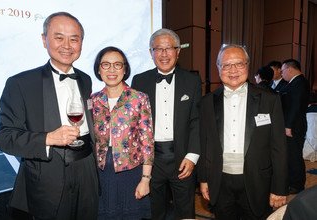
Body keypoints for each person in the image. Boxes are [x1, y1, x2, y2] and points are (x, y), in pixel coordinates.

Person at [0, 12, 99, 220]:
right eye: (59, 37)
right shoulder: (21, 83)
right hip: (47, 176)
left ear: (81, 43)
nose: (67, 45)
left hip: (87, 169)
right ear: (44, 40)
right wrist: (49, 138)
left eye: (74, 39)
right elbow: (3, 137)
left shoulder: (85, 79)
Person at [197, 44, 288, 220]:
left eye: (239, 63)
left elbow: (279, 147)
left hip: (258, 181)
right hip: (219, 180)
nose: (233, 70)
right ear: (218, 68)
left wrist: (279, 187)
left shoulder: (269, 100)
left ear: (247, 65)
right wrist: (203, 179)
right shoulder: (207, 102)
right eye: (226, 65)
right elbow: (204, 143)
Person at [132, 28, 202, 219]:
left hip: (182, 159)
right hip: (150, 160)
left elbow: (196, 120)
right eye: (158, 49)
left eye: (169, 48)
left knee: (185, 210)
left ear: (178, 51)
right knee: (153, 211)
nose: (164, 54)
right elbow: (135, 123)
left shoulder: (192, 80)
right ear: (150, 52)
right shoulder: (139, 81)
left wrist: (192, 156)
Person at [91, 46, 154, 219]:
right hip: (101, 172)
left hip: (131, 172)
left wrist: (146, 179)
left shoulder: (139, 98)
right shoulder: (92, 100)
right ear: (98, 69)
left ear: (125, 69)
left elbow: (147, 143)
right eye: (106, 64)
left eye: (117, 65)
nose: (112, 70)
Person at [280, 59, 310, 194]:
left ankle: (297, 185)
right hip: (294, 125)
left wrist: (288, 125)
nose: (281, 74)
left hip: (294, 126)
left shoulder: (299, 83)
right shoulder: (296, 82)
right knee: (291, 155)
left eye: (282, 71)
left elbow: (295, 106)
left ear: (289, 69)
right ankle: (293, 182)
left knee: (294, 155)